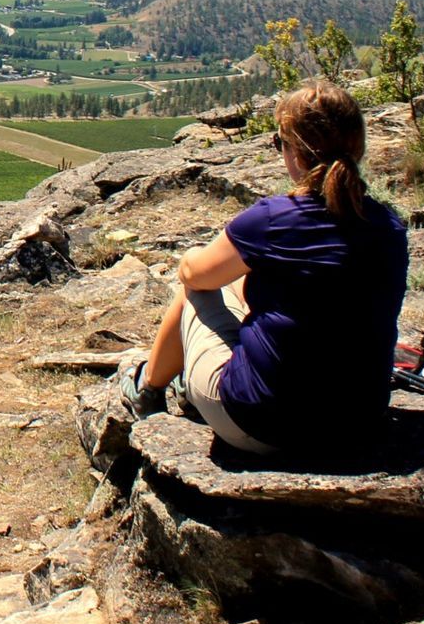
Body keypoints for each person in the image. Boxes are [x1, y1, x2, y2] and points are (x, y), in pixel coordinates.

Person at [118, 78, 408, 454]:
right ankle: (185, 381)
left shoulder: (273, 219)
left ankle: (148, 391)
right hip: (356, 424)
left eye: (279, 143)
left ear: (294, 151)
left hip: (260, 424)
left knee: (195, 291)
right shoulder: (389, 226)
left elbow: (194, 274)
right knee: (243, 285)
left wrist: (194, 255)